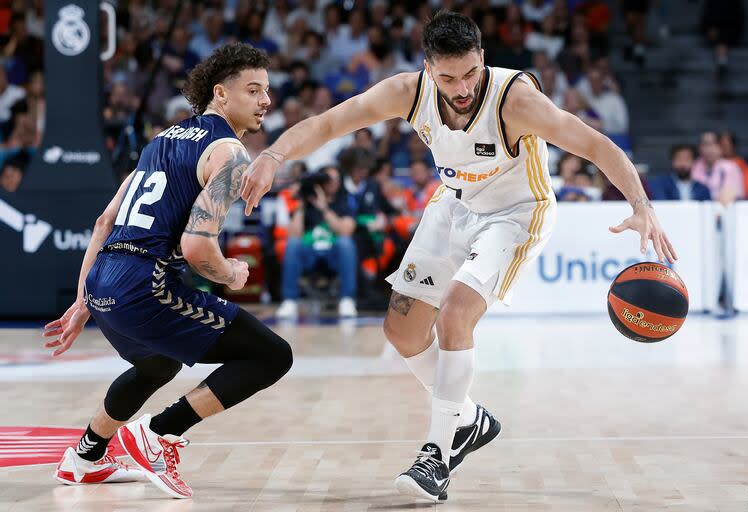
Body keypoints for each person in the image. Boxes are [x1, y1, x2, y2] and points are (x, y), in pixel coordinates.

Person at [238, 11, 676, 502]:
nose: (462, 86)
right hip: (453, 202)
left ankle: (437, 455)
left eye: (470, 73)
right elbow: (330, 122)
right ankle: (466, 418)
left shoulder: (516, 101)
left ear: (482, 59)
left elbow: (596, 145)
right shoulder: (408, 92)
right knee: (401, 331)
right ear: (429, 68)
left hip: (516, 213)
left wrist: (642, 206)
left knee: (455, 313)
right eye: (448, 77)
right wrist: (273, 155)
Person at [43, 43, 292, 499]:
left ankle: (83, 457)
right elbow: (197, 248)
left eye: (267, 91)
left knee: (156, 363)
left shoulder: (162, 140)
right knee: (272, 355)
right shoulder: (230, 154)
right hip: (144, 284)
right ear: (220, 93)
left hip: (104, 281)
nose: (265, 101)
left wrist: (83, 301)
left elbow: (103, 222)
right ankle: (157, 435)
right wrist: (231, 274)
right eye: (254, 90)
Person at [274, 165, 358, 319]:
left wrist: (324, 207)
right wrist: (301, 204)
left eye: (336, 179)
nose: (333, 182)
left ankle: (347, 299)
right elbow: (293, 234)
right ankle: (290, 302)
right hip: (310, 253)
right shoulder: (307, 200)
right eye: (328, 179)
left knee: (345, 243)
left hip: (333, 253)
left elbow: (346, 230)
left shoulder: (345, 200)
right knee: (293, 244)